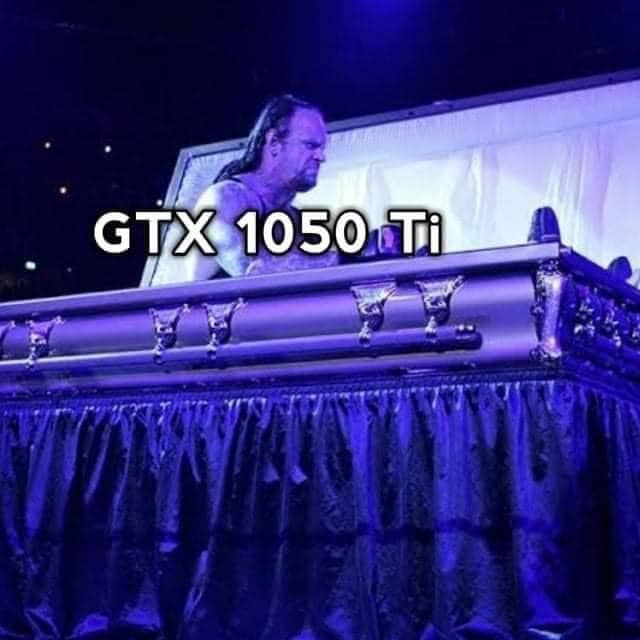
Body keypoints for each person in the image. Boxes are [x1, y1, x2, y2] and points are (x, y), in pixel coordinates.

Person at [148, 94, 339, 284]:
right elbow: (254, 275)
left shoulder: (296, 220)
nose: (321, 156)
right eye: (310, 145)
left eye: (322, 148)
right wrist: (332, 261)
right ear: (274, 143)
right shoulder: (225, 199)